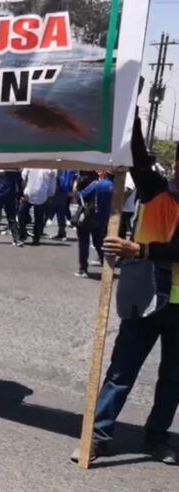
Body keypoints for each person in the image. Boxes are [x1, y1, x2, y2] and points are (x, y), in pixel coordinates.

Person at [72, 119, 179, 465]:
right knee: (122, 370)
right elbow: (137, 155)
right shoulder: (156, 191)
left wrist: (142, 251)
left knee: (173, 378)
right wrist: (127, 102)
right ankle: (99, 434)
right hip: (146, 295)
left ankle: (157, 438)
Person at [75, 172, 114, 277]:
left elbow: (81, 197)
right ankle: (107, 266)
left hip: (89, 217)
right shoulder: (116, 187)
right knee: (100, 243)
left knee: (84, 243)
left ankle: (83, 269)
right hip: (104, 218)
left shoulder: (97, 184)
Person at [0, 169, 23, 246]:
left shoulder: (15, 170)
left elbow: (20, 184)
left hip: (10, 195)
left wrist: (20, 195)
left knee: (11, 218)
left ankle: (16, 239)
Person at [19, 168, 56, 245]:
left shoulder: (51, 168)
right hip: (28, 193)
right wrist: (23, 191)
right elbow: (23, 176)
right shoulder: (32, 164)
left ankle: (36, 237)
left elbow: (52, 182)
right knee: (21, 213)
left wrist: (50, 194)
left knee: (39, 218)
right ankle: (23, 234)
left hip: (42, 194)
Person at [51, 170, 78, 240]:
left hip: (64, 191)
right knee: (60, 212)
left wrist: (74, 191)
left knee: (61, 212)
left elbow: (75, 179)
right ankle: (61, 232)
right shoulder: (60, 169)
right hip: (58, 190)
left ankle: (62, 233)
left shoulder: (71, 169)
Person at [120, 172, 137, 239]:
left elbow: (128, 189)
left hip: (126, 209)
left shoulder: (129, 174)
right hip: (124, 209)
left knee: (121, 234)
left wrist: (119, 201)